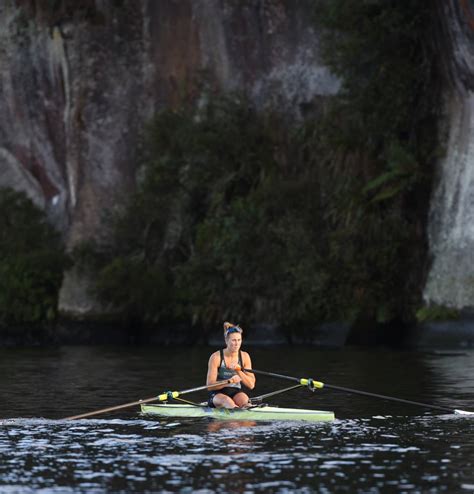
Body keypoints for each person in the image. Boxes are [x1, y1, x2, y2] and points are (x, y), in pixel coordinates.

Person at [207, 322, 256, 409]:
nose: (237, 344)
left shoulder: (244, 356)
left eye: (239, 340)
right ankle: (233, 412)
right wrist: (229, 381)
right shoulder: (216, 357)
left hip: (235, 392)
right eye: (233, 340)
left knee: (245, 401)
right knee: (227, 401)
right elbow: (209, 386)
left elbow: (251, 385)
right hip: (217, 394)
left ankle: (247, 413)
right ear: (226, 341)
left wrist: (239, 371)